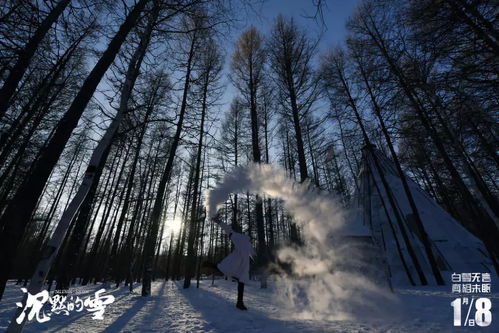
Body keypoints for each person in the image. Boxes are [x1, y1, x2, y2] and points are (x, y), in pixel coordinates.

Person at [204, 218, 255, 310]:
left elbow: (252, 254)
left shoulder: (243, 240)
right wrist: (219, 221)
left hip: (242, 266)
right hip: (238, 264)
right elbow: (228, 230)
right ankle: (239, 303)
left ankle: (240, 303)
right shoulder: (241, 239)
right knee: (228, 272)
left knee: (239, 281)